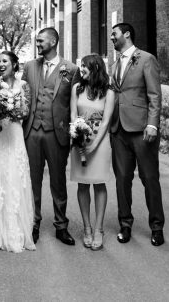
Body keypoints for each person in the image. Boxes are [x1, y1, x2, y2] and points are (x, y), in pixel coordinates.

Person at [107, 22, 165, 246]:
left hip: (142, 128)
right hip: (118, 129)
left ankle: (157, 226)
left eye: (114, 34)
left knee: (150, 178)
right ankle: (125, 224)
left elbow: (155, 95)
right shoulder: (115, 63)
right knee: (122, 179)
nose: (112, 38)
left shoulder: (146, 59)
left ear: (127, 34)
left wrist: (153, 124)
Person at [22, 27, 78, 246]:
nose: (37, 44)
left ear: (53, 41)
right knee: (32, 180)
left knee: (58, 181)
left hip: (58, 133)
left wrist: (76, 129)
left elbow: (74, 101)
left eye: (41, 40)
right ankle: (33, 223)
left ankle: (61, 226)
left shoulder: (71, 69)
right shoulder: (29, 67)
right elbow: (23, 97)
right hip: (32, 131)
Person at [0, 51, 35, 253]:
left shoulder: (23, 86)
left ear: (14, 64)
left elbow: (25, 112)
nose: (1, 64)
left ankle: (15, 229)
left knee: (13, 178)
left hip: (13, 135)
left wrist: (7, 108)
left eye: (5, 61)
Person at [69, 54, 115, 250]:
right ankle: (86, 227)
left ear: (95, 68)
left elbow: (106, 120)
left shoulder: (108, 92)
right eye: (80, 67)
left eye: (84, 67)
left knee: (98, 183)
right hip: (79, 138)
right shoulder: (77, 89)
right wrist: (76, 133)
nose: (81, 70)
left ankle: (99, 229)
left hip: (100, 140)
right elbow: (73, 113)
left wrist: (95, 144)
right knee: (82, 184)